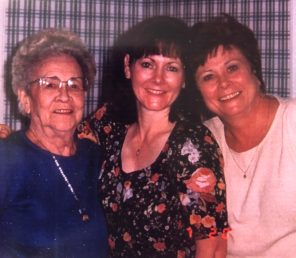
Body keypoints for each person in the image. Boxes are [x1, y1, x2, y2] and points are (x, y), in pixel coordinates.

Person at [78, 16, 228, 258]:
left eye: (171, 68)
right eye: (147, 64)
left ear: (184, 79)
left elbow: (213, 248)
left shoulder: (192, 144)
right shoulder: (109, 124)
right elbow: (61, 143)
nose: (158, 79)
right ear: (128, 66)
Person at [188, 14, 296, 258]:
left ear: (254, 69)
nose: (224, 83)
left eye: (232, 68)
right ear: (199, 91)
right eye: (208, 76)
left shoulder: (295, 121)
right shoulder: (201, 142)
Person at [0, 28, 108, 257]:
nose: (64, 95)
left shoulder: (95, 157)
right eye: (50, 84)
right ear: (25, 98)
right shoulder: (6, 159)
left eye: (74, 85)